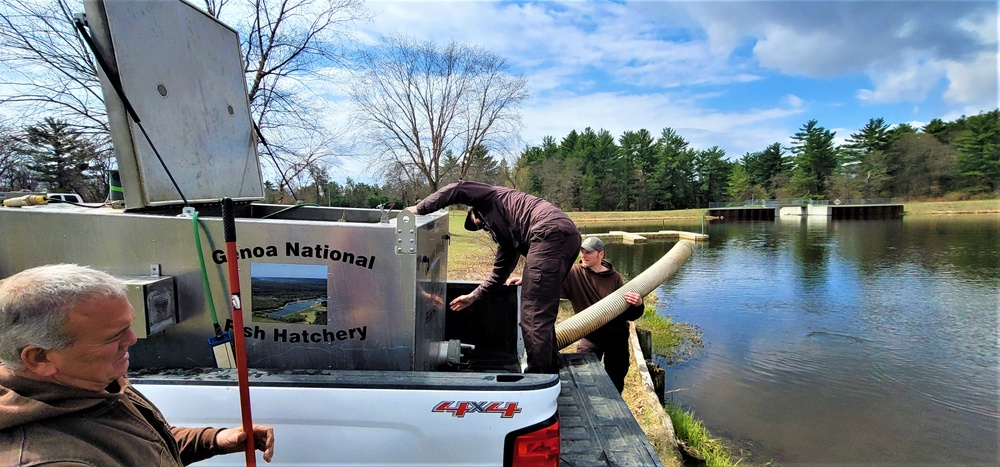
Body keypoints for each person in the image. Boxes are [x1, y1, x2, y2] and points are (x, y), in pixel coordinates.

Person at [0, 264, 276, 466]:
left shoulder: (88, 383)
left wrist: (213, 440)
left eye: (128, 327)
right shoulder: (50, 459)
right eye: (113, 336)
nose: (132, 340)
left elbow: (140, 445)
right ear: (39, 357)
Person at [406, 181, 581, 374]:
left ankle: (539, 378)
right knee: (540, 310)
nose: (484, 228)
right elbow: (499, 272)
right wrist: (473, 296)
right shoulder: (508, 230)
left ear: (475, 212)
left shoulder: (489, 196)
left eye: (479, 224)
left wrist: (420, 209)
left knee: (533, 314)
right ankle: (549, 367)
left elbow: (458, 188)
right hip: (566, 235)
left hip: (549, 233)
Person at [559, 236, 645, 393]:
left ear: (601, 254)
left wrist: (638, 304)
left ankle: (616, 410)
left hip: (616, 337)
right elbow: (550, 283)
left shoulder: (615, 278)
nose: (583, 256)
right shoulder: (574, 274)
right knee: (584, 376)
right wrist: (527, 281)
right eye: (582, 252)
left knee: (616, 378)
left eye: (588, 253)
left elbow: (630, 315)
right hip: (590, 336)